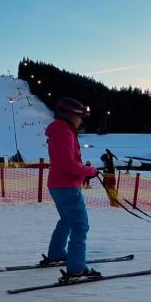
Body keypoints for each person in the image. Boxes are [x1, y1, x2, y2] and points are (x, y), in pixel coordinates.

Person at [44, 97, 100, 281]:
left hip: (57, 184)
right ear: (72, 116)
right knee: (80, 224)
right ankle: (76, 268)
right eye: (80, 117)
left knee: (67, 220)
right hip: (67, 185)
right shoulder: (65, 133)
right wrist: (91, 171)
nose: (81, 121)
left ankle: (56, 255)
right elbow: (69, 164)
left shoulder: (58, 131)